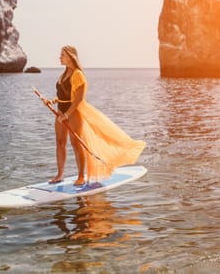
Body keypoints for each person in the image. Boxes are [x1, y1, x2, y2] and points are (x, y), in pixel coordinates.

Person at [44, 45, 146, 185]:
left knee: (76, 143)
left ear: (70, 56)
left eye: (62, 54)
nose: (59, 57)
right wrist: (52, 101)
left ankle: (81, 176)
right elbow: (62, 95)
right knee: (60, 142)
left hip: (73, 112)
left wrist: (67, 114)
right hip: (61, 111)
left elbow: (78, 99)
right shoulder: (63, 74)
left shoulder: (78, 74)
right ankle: (60, 175)